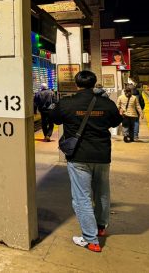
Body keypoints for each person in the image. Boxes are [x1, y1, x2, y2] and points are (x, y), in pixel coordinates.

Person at [50, 70, 122, 253]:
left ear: (77, 84)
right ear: (94, 83)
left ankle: (91, 240)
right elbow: (116, 122)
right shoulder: (107, 103)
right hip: (102, 155)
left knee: (82, 197)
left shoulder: (67, 103)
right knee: (102, 192)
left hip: (78, 157)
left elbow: (55, 118)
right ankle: (101, 227)